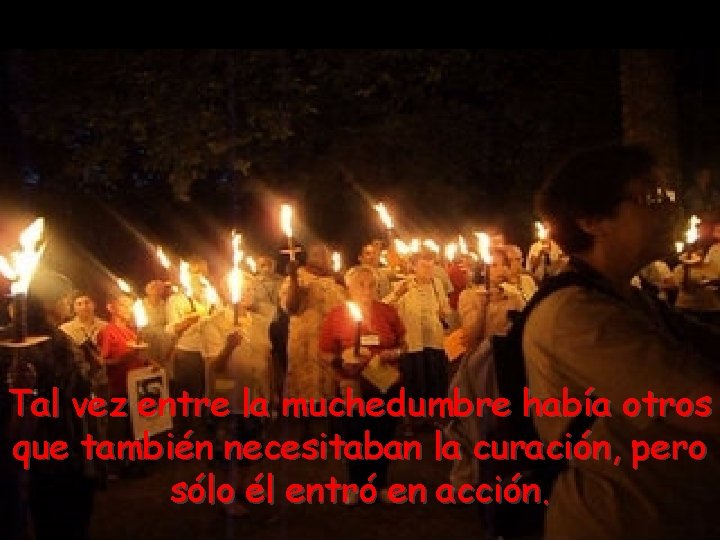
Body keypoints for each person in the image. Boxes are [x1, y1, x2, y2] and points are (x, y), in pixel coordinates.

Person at [526, 143, 720, 539]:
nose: (669, 210)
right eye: (650, 198)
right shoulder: (576, 316)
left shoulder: (631, 298)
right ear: (592, 221)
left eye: (666, 196)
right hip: (619, 523)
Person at [1, 271, 103, 540]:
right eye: (66, 300)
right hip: (57, 449)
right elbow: (76, 395)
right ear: (50, 303)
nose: (68, 306)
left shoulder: (10, 340)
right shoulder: (56, 344)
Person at [319, 265, 406, 504]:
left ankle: (380, 483)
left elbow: (403, 344)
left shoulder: (387, 312)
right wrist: (341, 362)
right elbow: (324, 352)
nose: (367, 290)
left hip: (384, 382)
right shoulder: (337, 315)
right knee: (355, 434)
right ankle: (356, 484)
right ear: (349, 288)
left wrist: (393, 353)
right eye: (360, 285)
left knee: (383, 433)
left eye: (371, 285)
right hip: (352, 383)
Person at [384, 249, 451, 435]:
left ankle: (428, 418)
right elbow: (385, 307)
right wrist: (398, 295)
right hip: (413, 343)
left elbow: (445, 309)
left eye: (431, 265)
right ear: (413, 267)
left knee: (432, 381)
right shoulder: (404, 285)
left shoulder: (437, 284)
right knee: (412, 382)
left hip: (433, 342)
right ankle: (409, 421)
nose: (428, 269)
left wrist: (444, 311)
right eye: (424, 265)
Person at [283, 244, 346, 437]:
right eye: (316, 253)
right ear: (309, 257)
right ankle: (305, 436)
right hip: (304, 347)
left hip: (330, 347)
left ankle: (327, 434)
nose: (321, 258)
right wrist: (294, 279)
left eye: (325, 254)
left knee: (329, 391)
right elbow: (291, 307)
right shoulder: (298, 277)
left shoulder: (335, 282)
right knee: (305, 394)